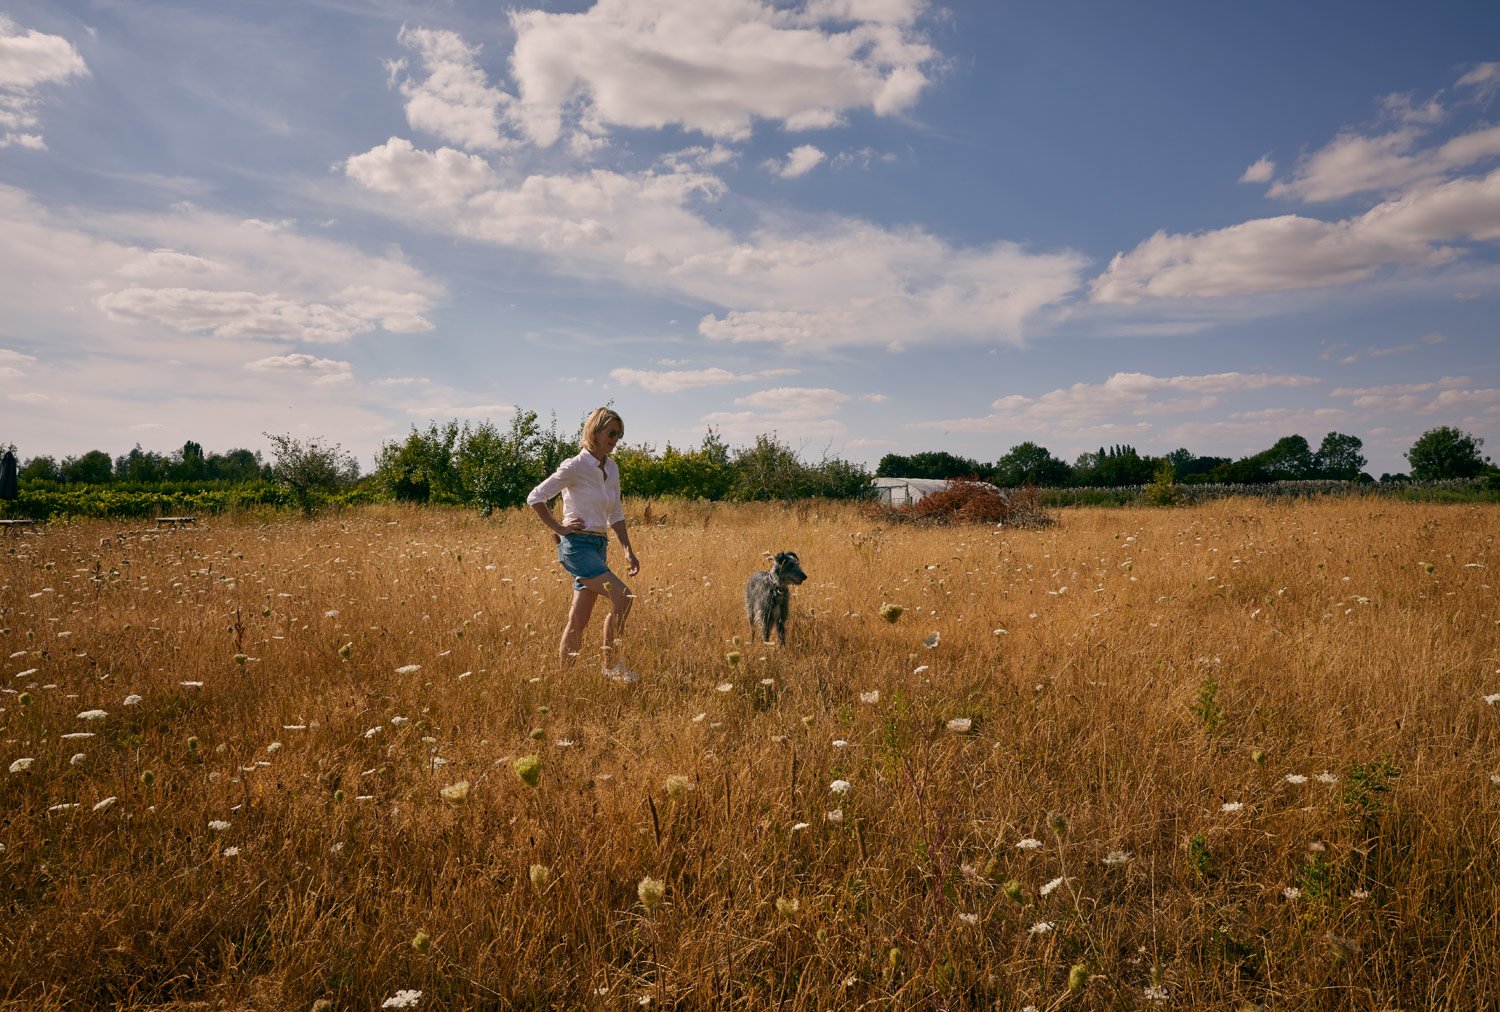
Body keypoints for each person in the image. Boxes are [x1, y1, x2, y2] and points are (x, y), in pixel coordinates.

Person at [527, 407, 642, 682]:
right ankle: (612, 666)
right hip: (577, 546)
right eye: (611, 432)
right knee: (623, 597)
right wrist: (559, 528)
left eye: (620, 435)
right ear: (595, 430)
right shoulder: (575, 466)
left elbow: (615, 513)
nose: (615, 439)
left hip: (599, 546)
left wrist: (627, 549)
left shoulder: (611, 468)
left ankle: (563, 680)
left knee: (578, 619)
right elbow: (536, 497)